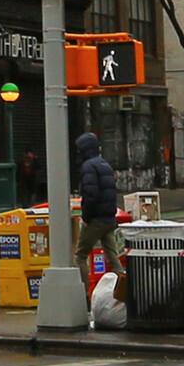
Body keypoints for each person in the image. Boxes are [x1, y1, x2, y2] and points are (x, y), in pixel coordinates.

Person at [74, 129, 126, 301]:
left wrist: (86, 218)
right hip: (109, 218)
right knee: (113, 258)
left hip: (96, 219)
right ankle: (125, 290)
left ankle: (84, 296)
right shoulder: (105, 164)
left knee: (80, 256)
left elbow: (90, 195)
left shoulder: (88, 166)